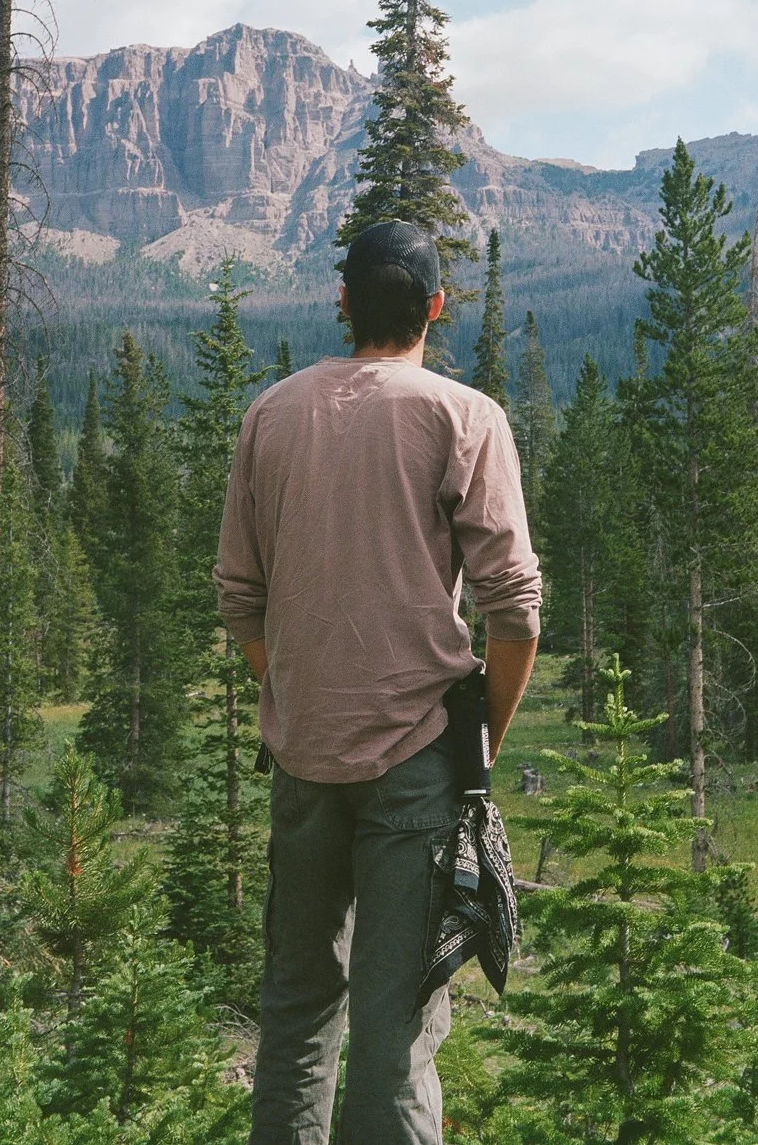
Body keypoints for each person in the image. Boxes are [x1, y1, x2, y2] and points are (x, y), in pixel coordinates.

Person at [215, 220, 541, 1144]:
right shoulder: (465, 417)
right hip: (418, 759)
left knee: (295, 1015)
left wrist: (295, 689)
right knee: (394, 1039)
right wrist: (483, 741)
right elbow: (514, 610)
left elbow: (240, 596)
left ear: (345, 301)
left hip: (303, 757)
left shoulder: (270, 413)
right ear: (436, 306)